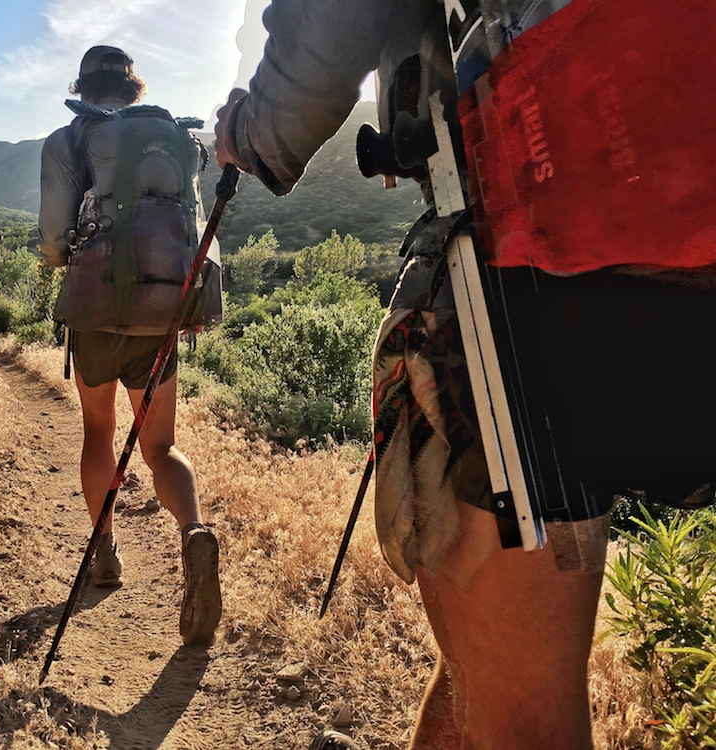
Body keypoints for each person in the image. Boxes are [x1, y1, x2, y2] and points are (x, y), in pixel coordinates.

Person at [214, 1, 715, 747]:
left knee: (525, 718)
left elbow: (325, 37)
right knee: (480, 675)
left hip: (520, 257)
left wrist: (247, 131)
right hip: (674, 232)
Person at [38, 45, 222, 646]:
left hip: (95, 313)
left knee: (99, 432)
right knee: (161, 446)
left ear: (82, 89)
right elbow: (194, 222)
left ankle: (106, 552)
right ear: (134, 89)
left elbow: (53, 240)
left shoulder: (68, 141)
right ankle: (194, 533)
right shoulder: (172, 140)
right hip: (162, 315)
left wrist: (70, 259)